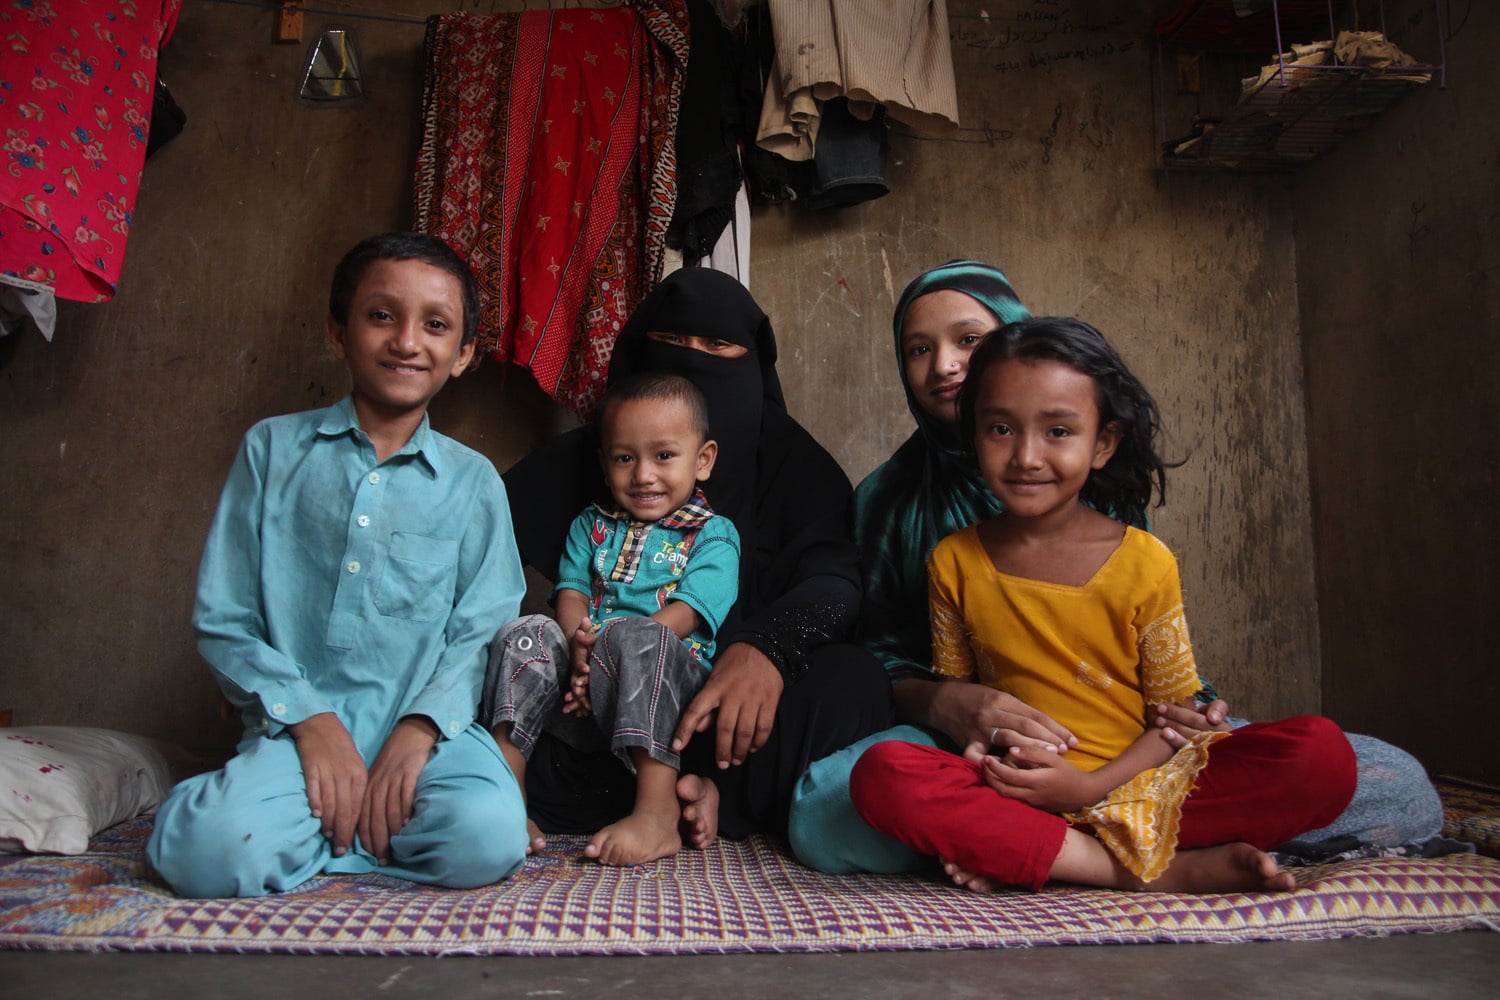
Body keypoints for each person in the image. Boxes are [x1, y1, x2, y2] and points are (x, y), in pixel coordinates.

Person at [788, 260, 1443, 878]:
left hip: (1130, 745)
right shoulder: (897, 505)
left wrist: (1188, 718)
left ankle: (1037, 848)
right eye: (918, 348)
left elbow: (1162, 682)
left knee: (1392, 784)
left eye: (968, 339)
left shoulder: (1112, 514)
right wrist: (947, 702)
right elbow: (884, 657)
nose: (944, 364)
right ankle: (1130, 856)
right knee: (829, 809)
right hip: (986, 751)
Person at [848, 316, 1357, 893]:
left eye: (1058, 431)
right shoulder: (953, 561)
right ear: (973, 437)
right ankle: (1155, 870)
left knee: (1323, 756)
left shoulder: (1144, 561)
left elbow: (1172, 724)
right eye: (1000, 429)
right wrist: (1003, 766)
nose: (1026, 456)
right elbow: (965, 709)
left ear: (1103, 444)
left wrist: (1088, 787)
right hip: (1019, 789)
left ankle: (1045, 852)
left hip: (1141, 783)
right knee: (883, 774)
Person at [147, 233, 530, 897]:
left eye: (436, 325)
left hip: (430, 735)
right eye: (381, 315)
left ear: (463, 354)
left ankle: (326, 835)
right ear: (337, 333)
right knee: (204, 853)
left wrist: (419, 728)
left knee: (488, 836)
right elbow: (225, 618)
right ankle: (330, 822)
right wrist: (311, 723)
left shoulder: (474, 482)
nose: (407, 341)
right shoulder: (271, 450)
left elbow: (481, 631)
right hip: (296, 729)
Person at [492, 266, 893, 845]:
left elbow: (836, 584)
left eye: (717, 347)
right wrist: (580, 645)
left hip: (733, 717)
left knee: (856, 682)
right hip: (596, 714)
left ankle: (698, 793)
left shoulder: (795, 465)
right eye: (673, 342)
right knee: (503, 660)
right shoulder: (597, 458)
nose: (693, 361)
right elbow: (481, 538)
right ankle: (609, 795)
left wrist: (765, 649)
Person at [483, 373, 740, 865]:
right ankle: (504, 796)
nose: (643, 474)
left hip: (668, 691)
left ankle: (656, 811)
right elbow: (572, 593)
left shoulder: (714, 535)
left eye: (664, 455)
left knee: (639, 637)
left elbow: (689, 613)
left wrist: (609, 646)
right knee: (524, 632)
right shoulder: (590, 525)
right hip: (584, 686)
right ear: (604, 464)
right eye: (625, 458)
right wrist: (577, 642)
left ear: (702, 460)